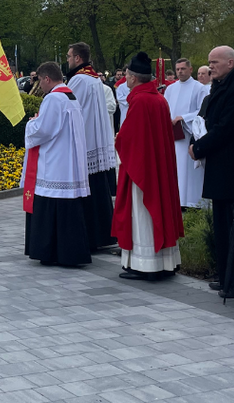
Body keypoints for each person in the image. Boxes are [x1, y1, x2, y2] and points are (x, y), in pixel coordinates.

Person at [190, 47, 234, 295]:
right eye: (209, 63)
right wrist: (196, 142)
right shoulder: (219, 86)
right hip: (218, 164)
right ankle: (224, 272)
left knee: (232, 224)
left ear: (231, 63)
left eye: (214, 62)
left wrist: (199, 147)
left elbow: (226, 127)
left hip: (231, 166)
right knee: (221, 223)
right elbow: (205, 120)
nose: (210, 67)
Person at [113, 52, 183, 279]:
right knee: (157, 210)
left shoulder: (140, 101)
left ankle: (146, 265)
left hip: (142, 170)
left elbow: (130, 139)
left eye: (126, 75)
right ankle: (165, 262)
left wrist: (118, 139)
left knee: (142, 213)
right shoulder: (158, 98)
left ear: (132, 78)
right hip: (158, 167)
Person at [22, 62, 92, 266]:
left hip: (55, 163)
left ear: (46, 79)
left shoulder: (53, 98)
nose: (40, 87)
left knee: (51, 204)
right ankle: (69, 253)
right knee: (67, 210)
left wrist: (31, 122)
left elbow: (44, 129)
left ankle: (49, 251)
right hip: (68, 162)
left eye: (40, 82)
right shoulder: (70, 96)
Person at [65, 43, 118, 250]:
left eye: (69, 56)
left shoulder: (78, 80)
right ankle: (103, 235)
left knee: (87, 192)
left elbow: (71, 109)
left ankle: (91, 237)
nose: (67, 59)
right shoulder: (95, 79)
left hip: (84, 140)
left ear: (78, 58)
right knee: (98, 189)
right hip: (96, 139)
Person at [164, 58, 206, 208]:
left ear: (190, 69)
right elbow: (166, 109)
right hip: (174, 135)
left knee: (189, 169)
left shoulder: (199, 88)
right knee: (176, 167)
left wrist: (184, 118)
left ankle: (192, 202)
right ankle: (178, 200)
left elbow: (203, 111)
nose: (180, 72)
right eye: (178, 69)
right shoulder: (170, 89)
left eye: (183, 69)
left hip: (189, 134)